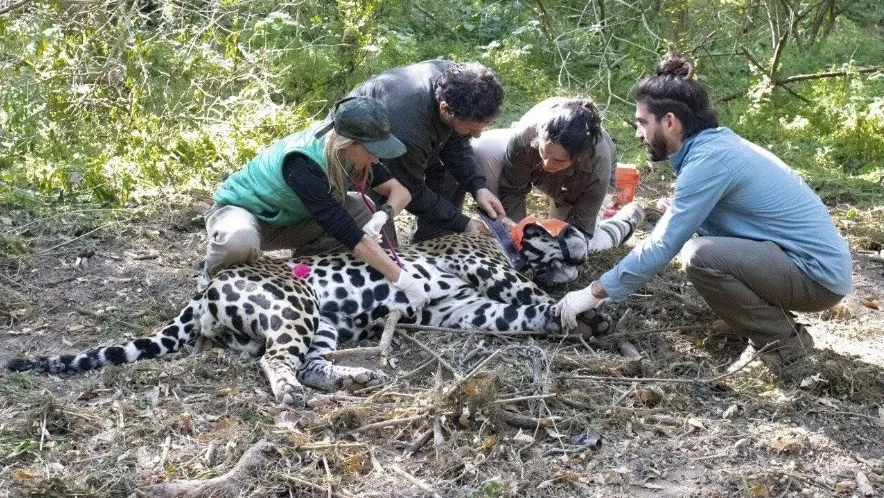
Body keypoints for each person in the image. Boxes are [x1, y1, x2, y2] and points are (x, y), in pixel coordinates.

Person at [555, 53, 852, 373]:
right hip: (805, 265)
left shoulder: (709, 161)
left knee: (700, 256)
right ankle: (753, 320)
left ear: (669, 122)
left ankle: (786, 347)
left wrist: (592, 293)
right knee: (699, 244)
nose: (639, 133)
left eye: (642, 122)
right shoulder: (714, 148)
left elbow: (662, 245)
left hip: (816, 275)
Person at [197, 96, 430, 311]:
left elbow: (401, 192)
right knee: (238, 240)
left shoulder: (352, 154)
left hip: (292, 218)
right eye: (372, 150)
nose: (376, 158)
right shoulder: (303, 163)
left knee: (364, 210)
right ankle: (210, 279)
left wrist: (382, 216)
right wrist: (402, 279)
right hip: (244, 213)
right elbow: (347, 233)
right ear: (348, 142)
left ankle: (301, 269)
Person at [345, 60, 507, 243]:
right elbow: (409, 189)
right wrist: (463, 223)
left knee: (448, 176)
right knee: (383, 253)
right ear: (444, 109)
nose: (477, 136)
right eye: (470, 130)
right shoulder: (407, 129)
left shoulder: (461, 84)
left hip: (412, 145)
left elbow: (456, 143)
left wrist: (478, 187)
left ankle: (431, 246)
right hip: (361, 158)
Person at [466, 97, 642, 252]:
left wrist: (566, 242)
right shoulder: (526, 136)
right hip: (538, 168)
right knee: (483, 148)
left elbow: (580, 231)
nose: (547, 164)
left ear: (577, 157)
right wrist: (517, 234)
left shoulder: (596, 165)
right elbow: (513, 191)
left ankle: (625, 222)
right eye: (545, 153)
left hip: (577, 188)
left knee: (574, 246)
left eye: (559, 160)